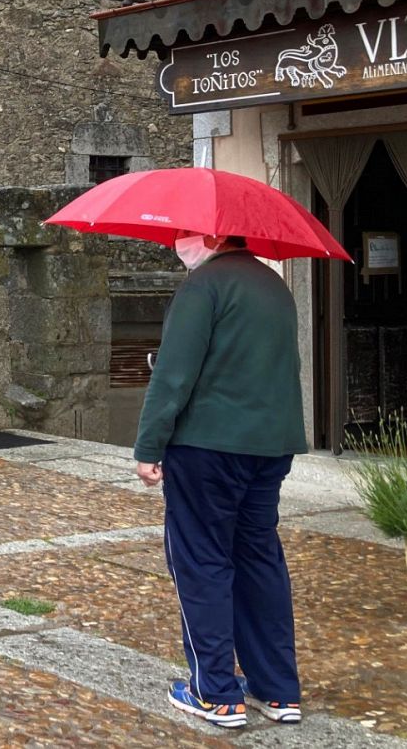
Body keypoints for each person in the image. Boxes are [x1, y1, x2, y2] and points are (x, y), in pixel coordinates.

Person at [135, 232, 308, 729]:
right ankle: (277, 689)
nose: (177, 242)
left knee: (200, 560)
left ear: (210, 235)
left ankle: (215, 691)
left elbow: (173, 373)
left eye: (182, 234)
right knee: (258, 558)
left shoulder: (203, 286)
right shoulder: (274, 286)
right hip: (269, 446)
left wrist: (149, 446)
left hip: (207, 445)